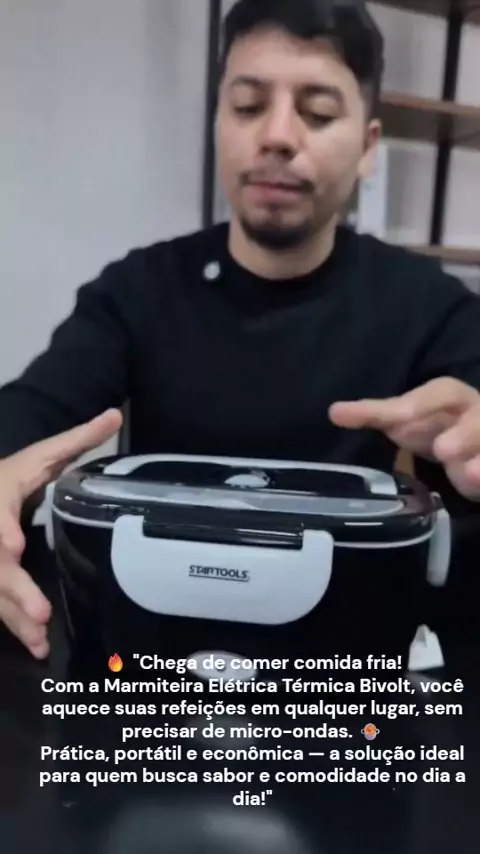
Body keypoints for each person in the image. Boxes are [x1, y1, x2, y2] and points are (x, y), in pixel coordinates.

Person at [1, 0, 480, 660]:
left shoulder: (427, 302)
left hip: (336, 645)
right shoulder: (138, 288)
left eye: (318, 112)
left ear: (369, 147)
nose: (278, 136)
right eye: (249, 105)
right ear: (219, 123)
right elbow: (34, 407)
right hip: (156, 636)